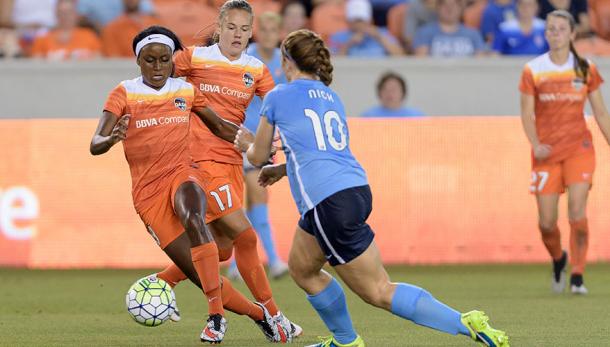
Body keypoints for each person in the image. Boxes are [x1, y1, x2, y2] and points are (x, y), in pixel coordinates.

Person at [235, 28, 510, 347]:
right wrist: (284, 169)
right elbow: (324, 150)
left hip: (328, 203)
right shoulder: (331, 96)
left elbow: (256, 154)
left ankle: (465, 323)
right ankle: (344, 340)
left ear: (286, 61)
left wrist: (245, 141)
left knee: (378, 290)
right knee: (302, 267)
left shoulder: (278, 95)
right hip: (352, 189)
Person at [90, 25, 280, 343]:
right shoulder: (124, 92)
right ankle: (260, 316)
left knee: (194, 215)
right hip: (148, 195)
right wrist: (111, 138)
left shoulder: (185, 90)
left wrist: (251, 146)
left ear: (171, 60)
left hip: (183, 173)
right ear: (138, 61)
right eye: (150, 60)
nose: (157, 66)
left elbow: (220, 126)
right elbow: (94, 143)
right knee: (200, 274)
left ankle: (215, 316)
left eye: (164, 59)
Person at [153, 0, 302, 341]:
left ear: (251, 32)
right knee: (246, 235)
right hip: (197, 161)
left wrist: (284, 134)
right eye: (231, 27)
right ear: (219, 27)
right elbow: (156, 78)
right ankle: (273, 316)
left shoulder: (257, 69)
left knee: (221, 250)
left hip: (233, 161)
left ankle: (161, 283)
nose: (237, 34)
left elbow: (278, 107)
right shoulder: (193, 58)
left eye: (244, 29)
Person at [519, 10, 610, 295]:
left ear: (572, 34)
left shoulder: (585, 68)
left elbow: (600, 112)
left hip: (578, 149)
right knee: (546, 223)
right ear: (545, 34)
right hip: (545, 153)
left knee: (576, 211)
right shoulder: (533, 69)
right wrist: (535, 144)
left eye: (560, 29)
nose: (554, 33)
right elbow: (526, 113)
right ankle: (559, 259)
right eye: (550, 29)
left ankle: (578, 276)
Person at [226, 11, 289, 281]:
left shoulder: (282, 63)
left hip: (263, 140)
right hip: (238, 136)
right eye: (263, 28)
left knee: (256, 197)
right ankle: (271, 260)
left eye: (273, 29)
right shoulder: (245, 58)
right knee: (244, 199)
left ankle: (240, 263)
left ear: (279, 33)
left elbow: (283, 102)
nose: (267, 34)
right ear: (256, 31)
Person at [328, 0, 404, 57]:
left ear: (370, 20)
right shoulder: (338, 37)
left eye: (363, 20)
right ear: (348, 22)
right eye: (356, 21)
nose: (359, 25)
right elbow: (333, 64)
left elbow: (400, 56)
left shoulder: (383, 33)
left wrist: (379, 37)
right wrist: (349, 44)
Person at [31, 0, 101, 60]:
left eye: (69, 12)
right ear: (56, 14)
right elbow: (36, 62)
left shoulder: (89, 36)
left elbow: (99, 58)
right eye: (62, 13)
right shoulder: (43, 38)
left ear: (75, 14)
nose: (65, 16)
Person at [413, 0, 487, 57]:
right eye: (445, 5)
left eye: (454, 5)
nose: (449, 9)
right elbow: (421, 61)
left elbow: (480, 62)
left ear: (460, 8)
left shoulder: (473, 34)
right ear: (438, 7)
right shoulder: (425, 32)